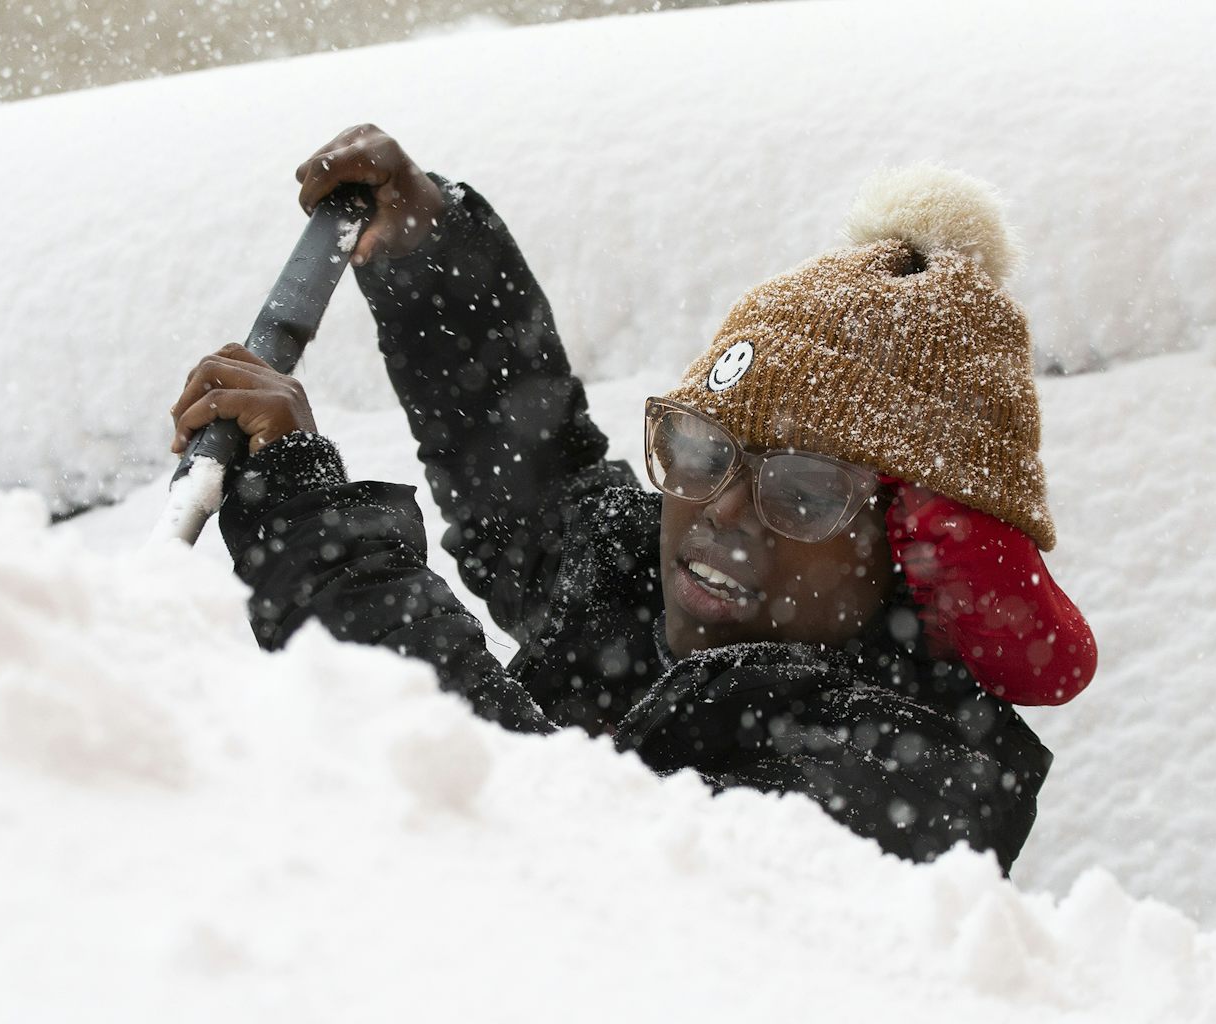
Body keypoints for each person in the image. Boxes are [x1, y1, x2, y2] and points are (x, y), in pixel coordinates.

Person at [168, 124, 1096, 871]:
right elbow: (530, 485)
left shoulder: (912, 783)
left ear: (914, 555)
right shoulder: (644, 588)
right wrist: (429, 257)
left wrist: (321, 536)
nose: (719, 513)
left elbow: (557, 867)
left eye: (804, 490)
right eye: (701, 448)